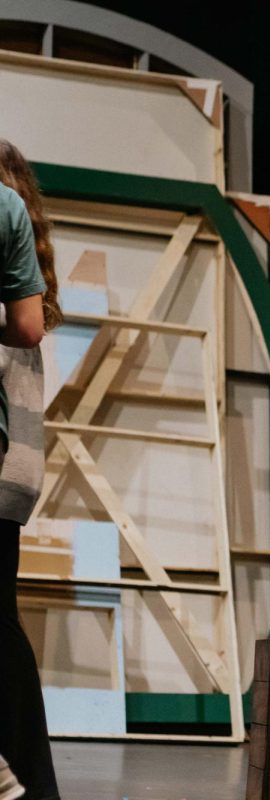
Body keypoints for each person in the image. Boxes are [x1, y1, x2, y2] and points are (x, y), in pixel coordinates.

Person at [0, 139, 58, 800]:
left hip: (5, 464)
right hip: (15, 468)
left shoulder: (21, 306)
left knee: (1, 627)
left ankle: (30, 782)